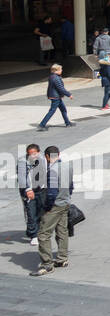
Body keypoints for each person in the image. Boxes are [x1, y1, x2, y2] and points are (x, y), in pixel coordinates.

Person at [34, 145, 72, 276]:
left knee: (43, 234)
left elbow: (51, 193)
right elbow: (71, 186)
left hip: (55, 205)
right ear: (59, 154)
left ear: (47, 157)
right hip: (66, 203)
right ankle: (62, 259)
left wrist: (47, 208)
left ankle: (47, 264)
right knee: (62, 231)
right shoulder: (67, 167)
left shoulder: (53, 171)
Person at [17, 143, 43, 246]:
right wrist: (28, 189)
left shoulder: (43, 159)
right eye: (30, 154)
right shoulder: (23, 162)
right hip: (29, 190)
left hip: (41, 189)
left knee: (41, 211)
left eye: (34, 153)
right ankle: (33, 235)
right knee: (31, 212)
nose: (33, 155)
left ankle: (40, 231)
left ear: (39, 152)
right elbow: (22, 177)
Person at [38, 65, 73, 129]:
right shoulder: (56, 78)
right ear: (56, 71)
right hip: (56, 97)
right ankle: (42, 124)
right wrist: (69, 94)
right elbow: (60, 88)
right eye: (60, 69)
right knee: (52, 111)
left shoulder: (52, 76)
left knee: (63, 110)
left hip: (56, 96)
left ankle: (67, 123)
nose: (62, 70)